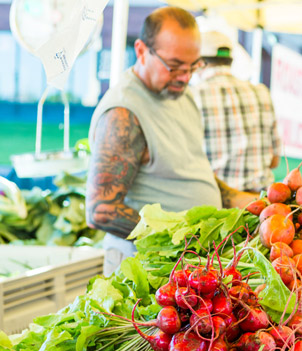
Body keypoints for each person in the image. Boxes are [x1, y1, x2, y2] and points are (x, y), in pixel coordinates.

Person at [86, 7, 255, 276]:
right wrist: (181, 240)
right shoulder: (123, 113)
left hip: (191, 263)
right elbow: (102, 210)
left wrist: (250, 203)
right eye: (174, 66)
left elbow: (191, 172)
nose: (185, 77)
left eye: (193, 66)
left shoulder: (181, 95)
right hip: (147, 269)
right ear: (141, 51)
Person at [193, 31, 281, 192]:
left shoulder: (193, 96)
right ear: (230, 61)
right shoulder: (261, 92)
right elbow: (275, 160)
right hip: (262, 205)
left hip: (217, 202)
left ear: (200, 63)